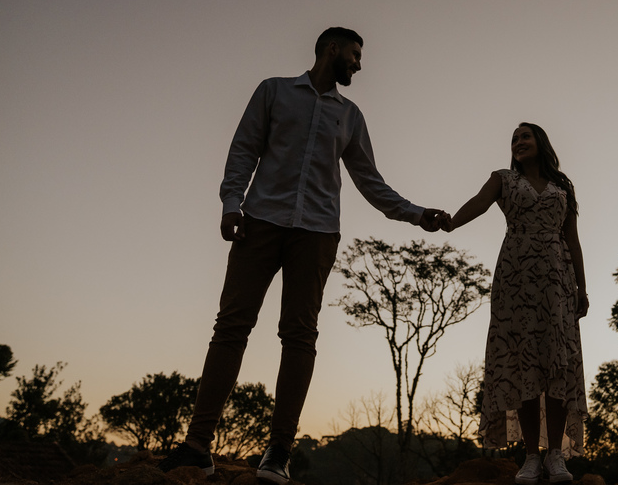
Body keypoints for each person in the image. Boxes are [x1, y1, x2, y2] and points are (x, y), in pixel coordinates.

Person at [159, 27, 449, 484]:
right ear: (331, 49)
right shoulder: (273, 91)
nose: (358, 64)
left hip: (316, 234)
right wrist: (231, 203)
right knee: (231, 326)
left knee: (299, 336)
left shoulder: (349, 115)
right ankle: (198, 446)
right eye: (354, 55)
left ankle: (278, 452)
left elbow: (369, 180)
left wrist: (414, 215)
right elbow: (244, 150)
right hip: (259, 222)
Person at [442, 122, 588, 485]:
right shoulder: (503, 178)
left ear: (540, 142)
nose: (518, 142)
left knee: (556, 361)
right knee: (523, 360)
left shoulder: (562, 186)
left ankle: (556, 455)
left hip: (556, 278)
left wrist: (581, 288)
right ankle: (531, 457)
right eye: (514, 139)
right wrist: (450, 223)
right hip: (515, 277)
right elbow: (478, 203)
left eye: (525, 136)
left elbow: (572, 238)